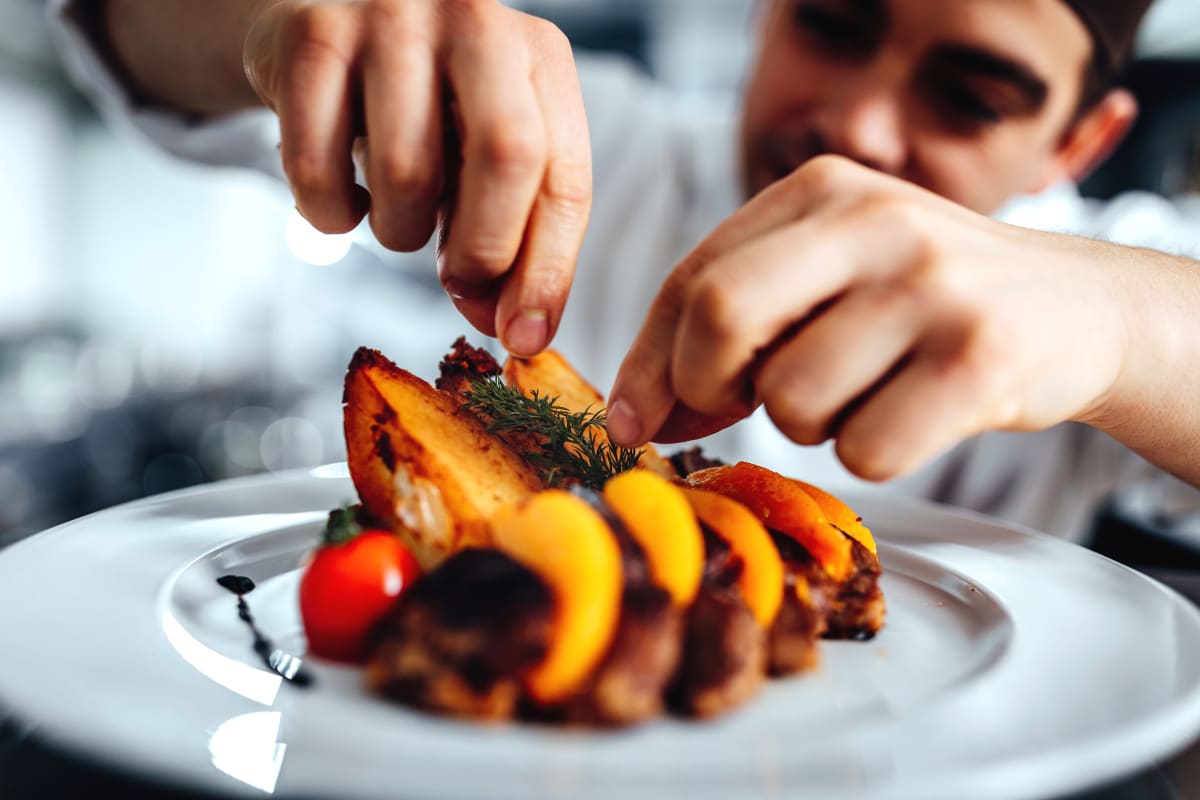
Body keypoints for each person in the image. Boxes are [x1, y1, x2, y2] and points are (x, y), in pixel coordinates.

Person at [46, 0, 1200, 541]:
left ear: (1078, 144)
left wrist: (1120, 328)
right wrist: (285, 25)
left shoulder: (1122, 268)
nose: (860, 124)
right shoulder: (601, 146)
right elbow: (120, 34)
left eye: (970, 96)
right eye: (833, 25)